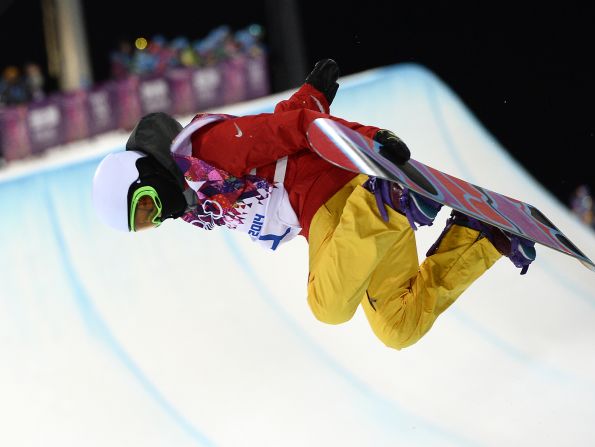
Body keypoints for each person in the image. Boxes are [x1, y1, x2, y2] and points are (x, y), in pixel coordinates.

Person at [92, 59, 536, 350]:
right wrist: (313, 92)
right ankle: (479, 239)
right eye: (146, 224)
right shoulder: (194, 199)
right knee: (398, 328)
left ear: (145, 173)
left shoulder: (209, 147)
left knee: (328, 305)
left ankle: (387, 204)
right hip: (345, 229)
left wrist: (369, 140)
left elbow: (294, 129)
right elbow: (281, 126)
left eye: (146, 206)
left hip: (335, 199)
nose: (159, 216)